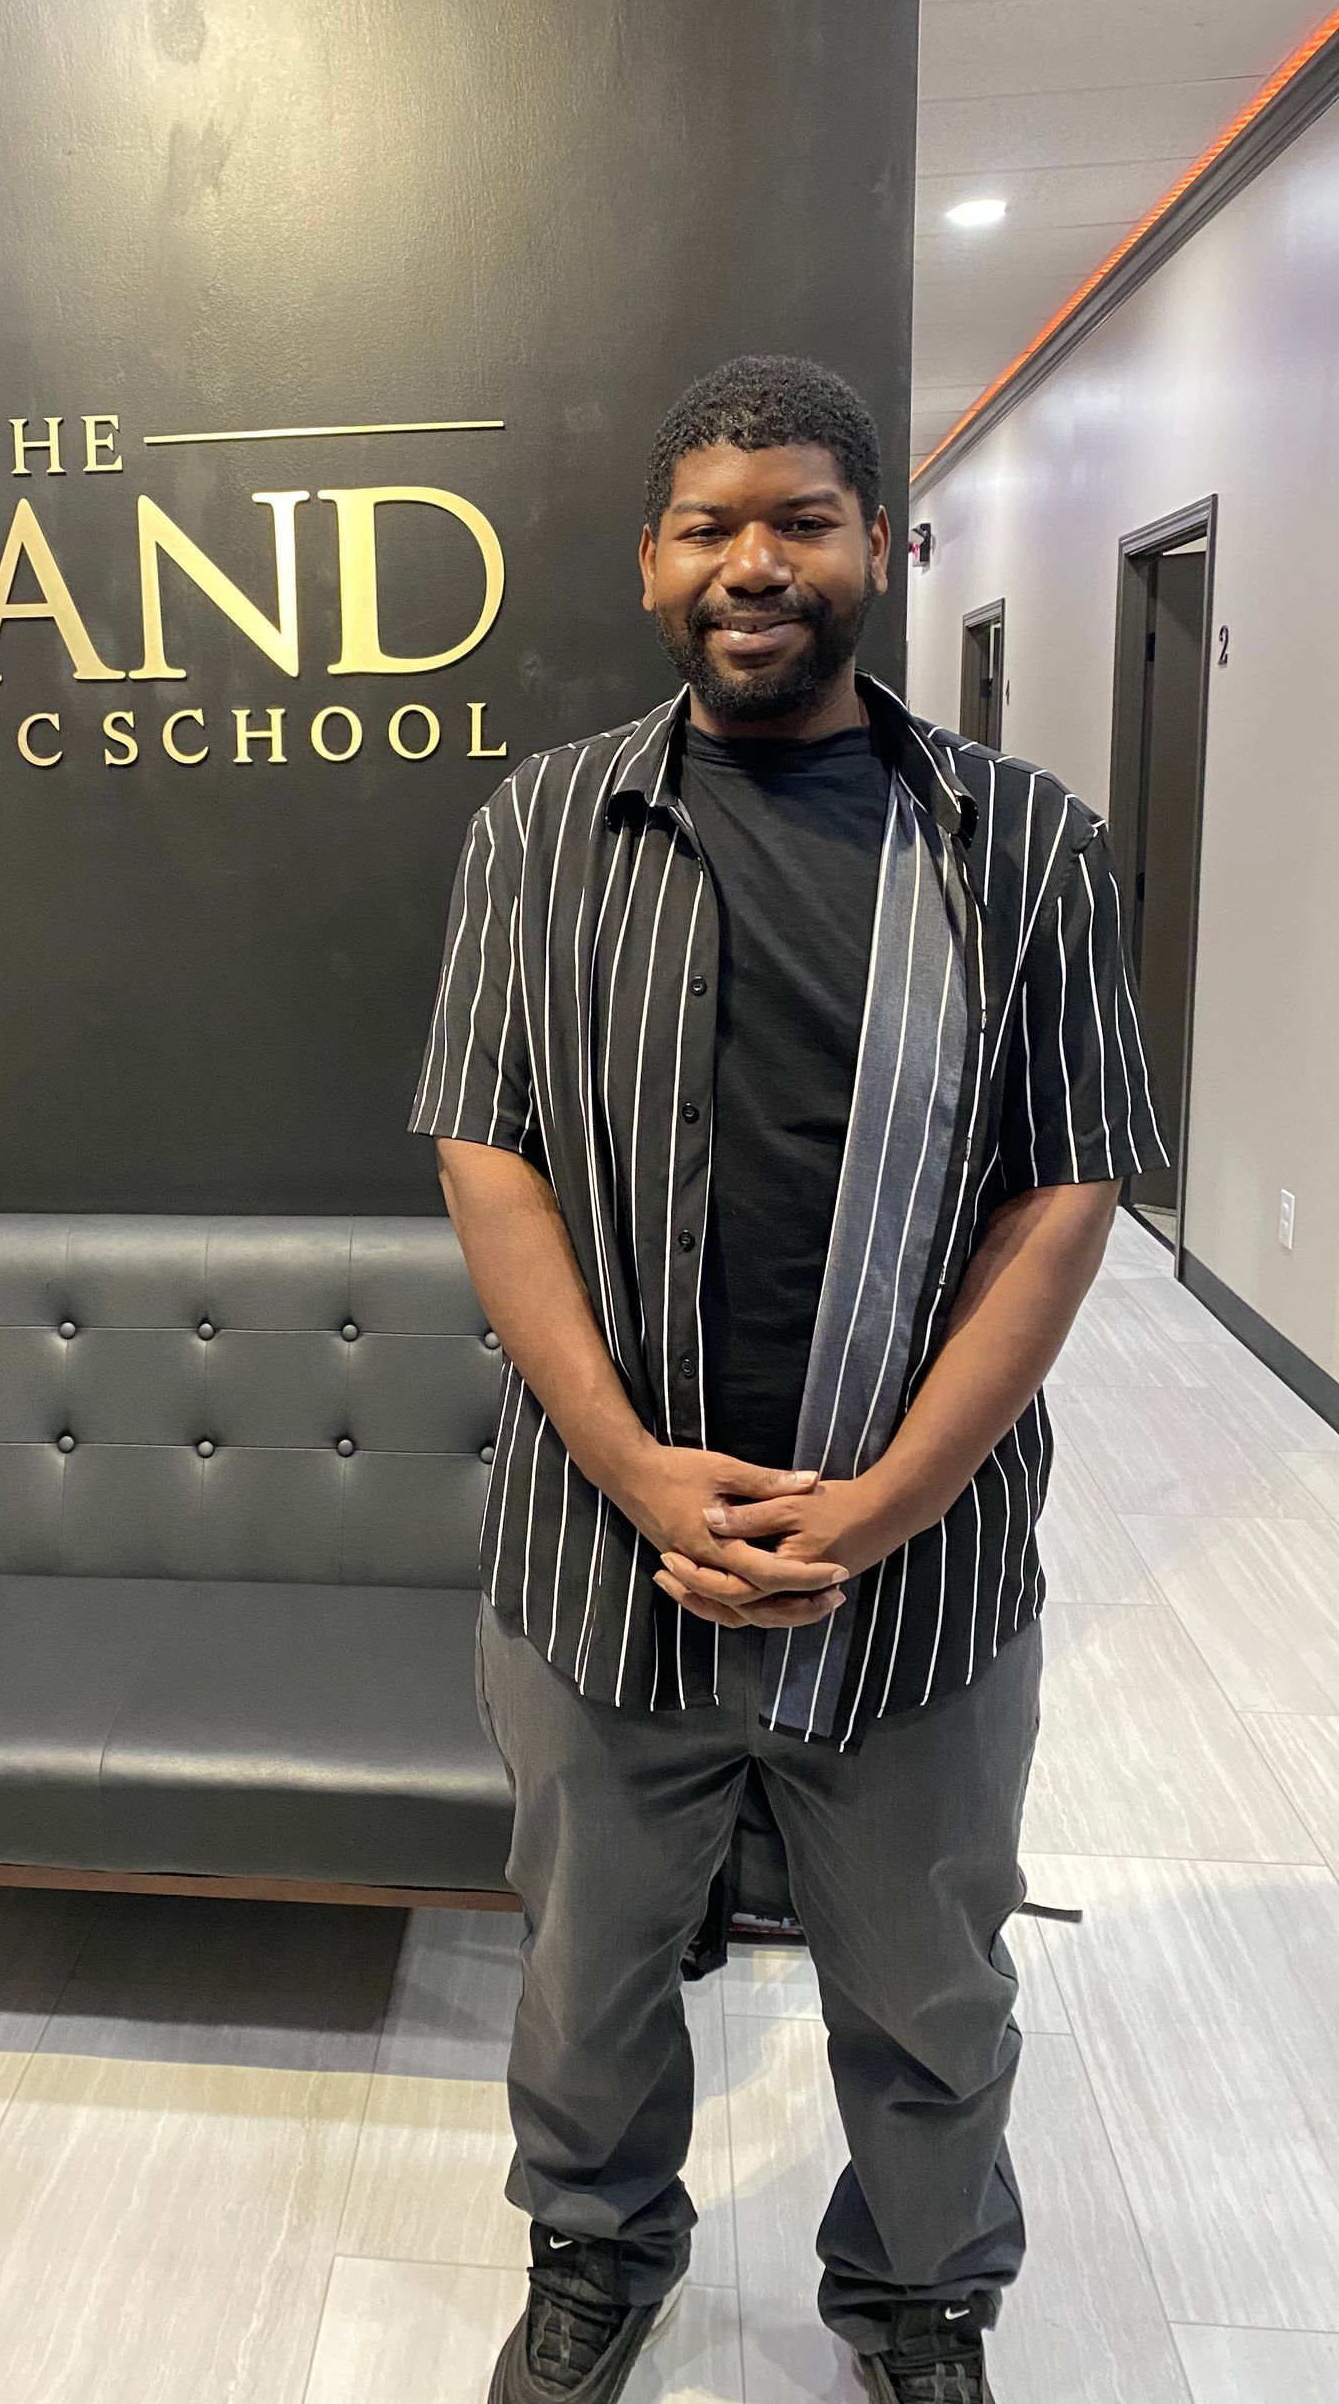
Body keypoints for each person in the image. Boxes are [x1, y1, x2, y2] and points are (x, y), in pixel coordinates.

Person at [408, 355, 1168, 2404]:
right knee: (583, 1970)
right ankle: (595, 2247)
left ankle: (921, 2299)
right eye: (714, 523)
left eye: (805, 519)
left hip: (916, 1579)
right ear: (651, 559)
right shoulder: (540, 829)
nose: (759, 560)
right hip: (599, 1560)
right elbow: (489, 1155)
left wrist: (894, 1497)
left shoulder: (1028, 845)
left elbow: (1069, 1191)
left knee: (929, 1984)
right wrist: (639, 1469)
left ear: (875, 549)